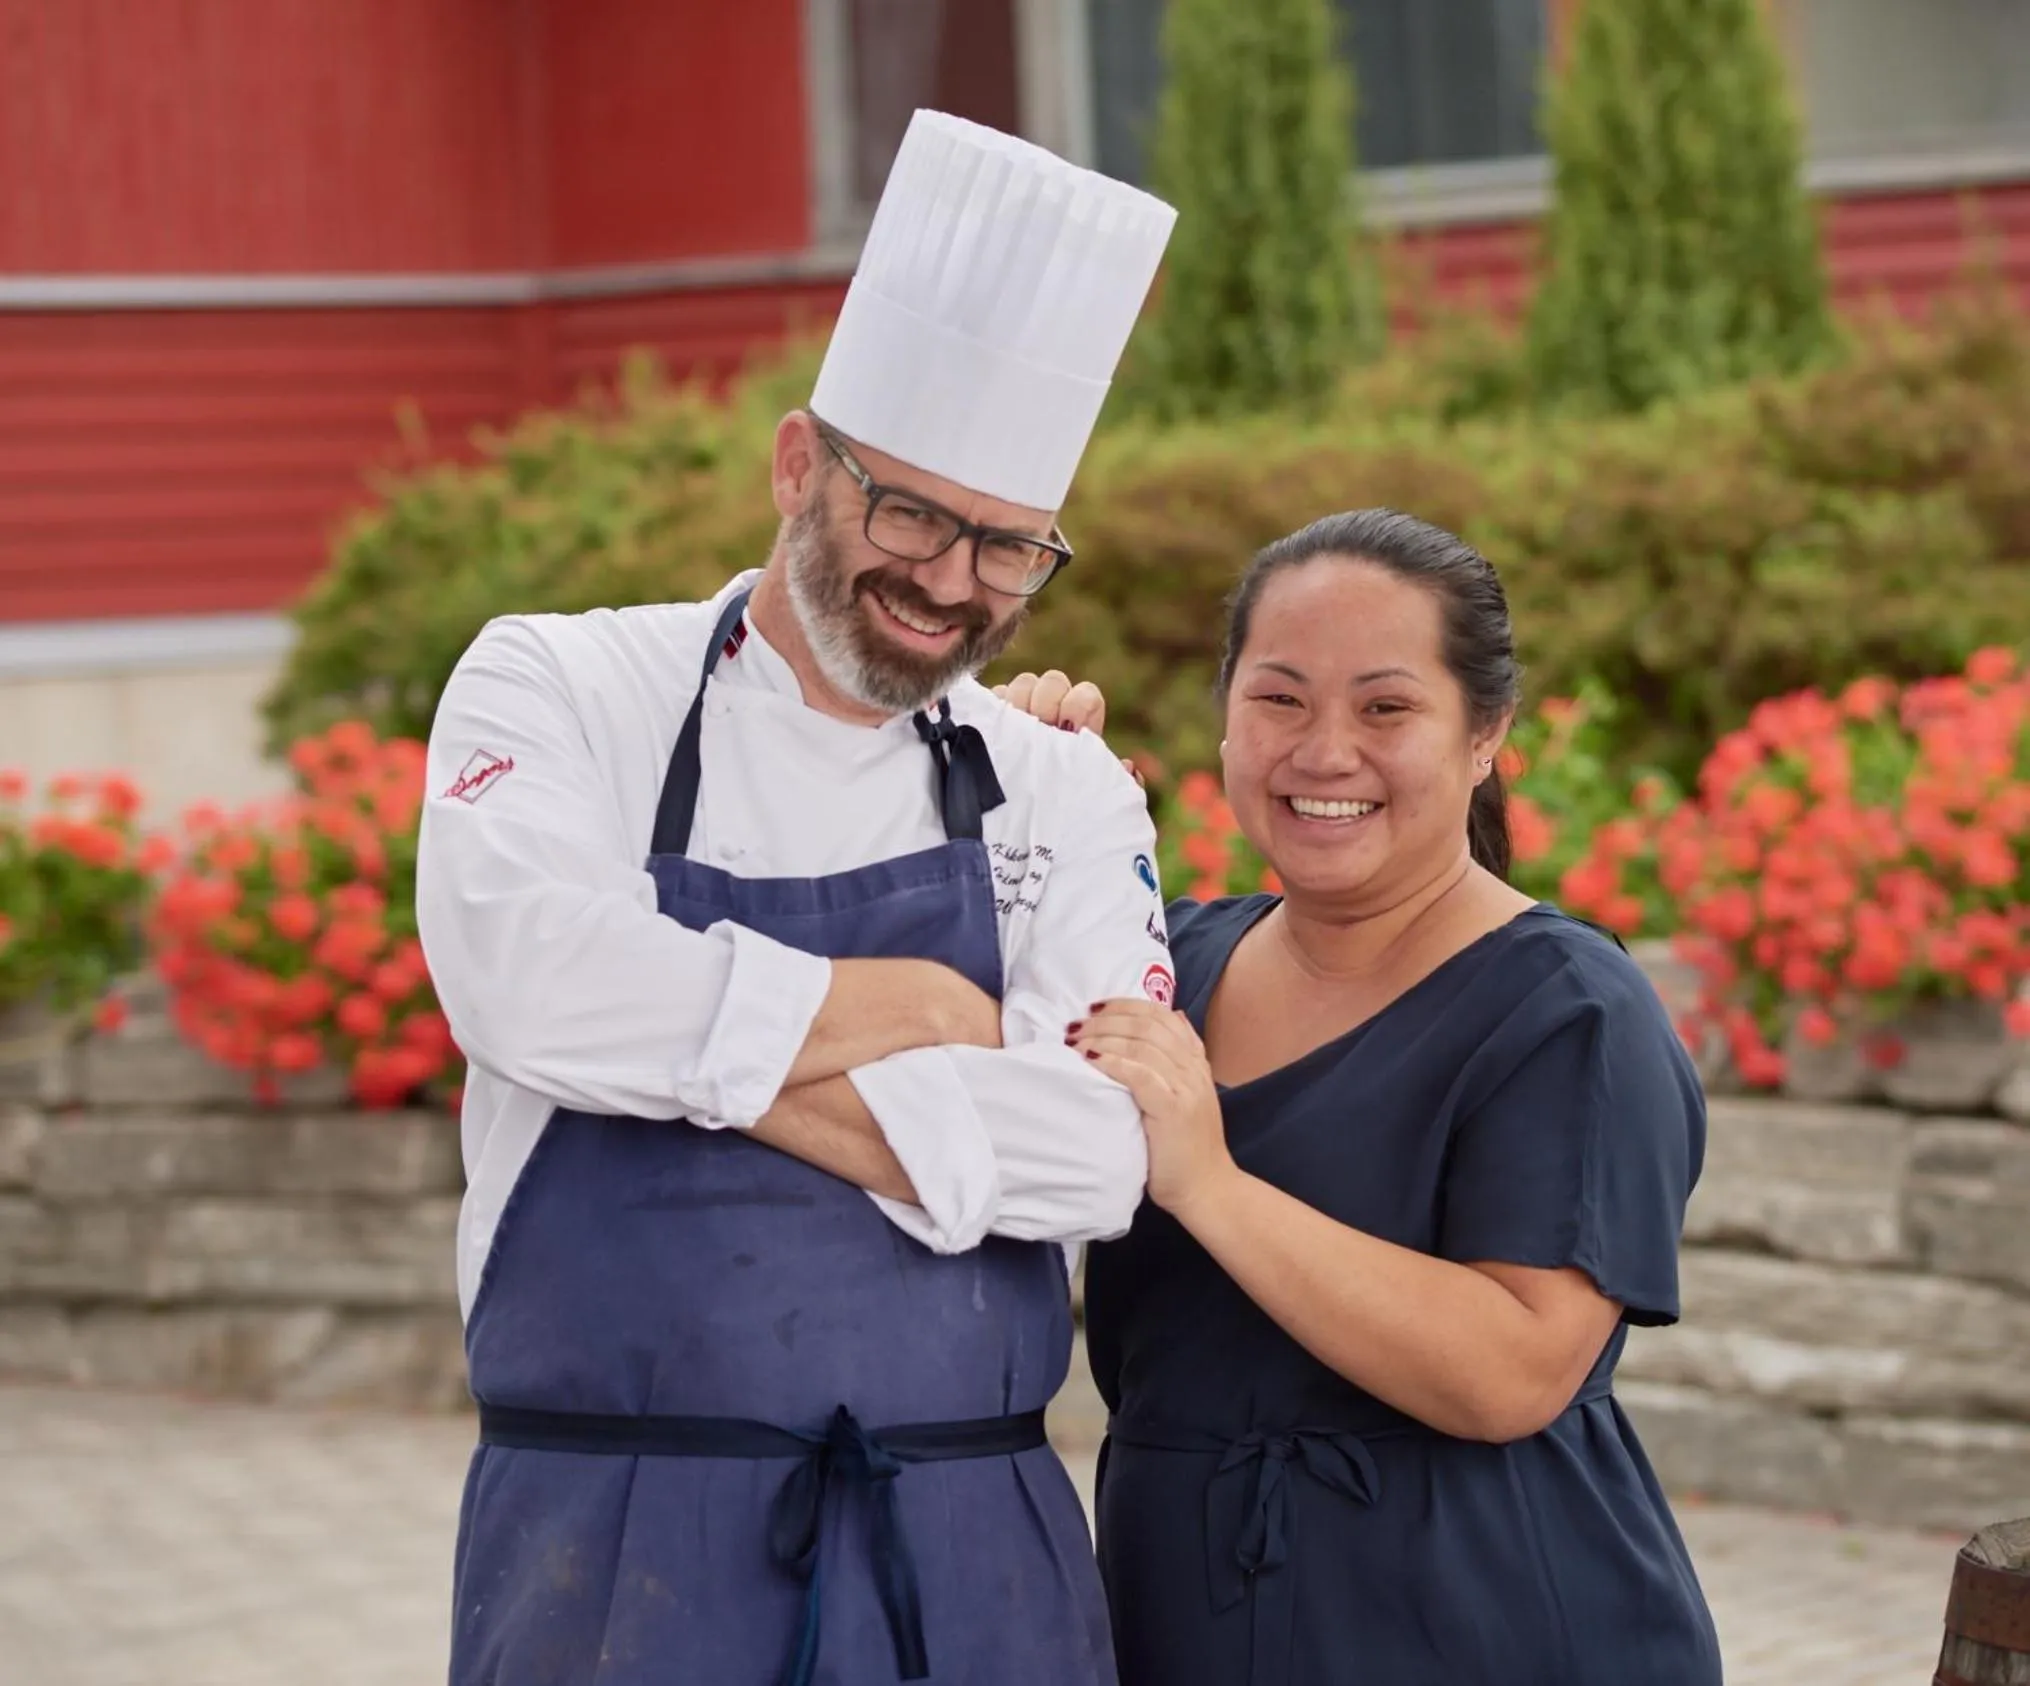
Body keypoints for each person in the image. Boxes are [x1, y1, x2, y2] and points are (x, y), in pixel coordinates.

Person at [416, 110, 1177, 1686]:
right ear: (794, 463)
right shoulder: (559, 684)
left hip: (973, 1561)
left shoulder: (1058, 785)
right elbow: (531, 985)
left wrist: (689, 1061)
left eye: (1011, 549)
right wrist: (911, 1013)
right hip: (609, 1554)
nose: (954, 584)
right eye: (908, 513)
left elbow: (1103, 1145)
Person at [1009, 508, 1722, 1685]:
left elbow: (1511, 1371)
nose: (1322, 751)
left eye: (1384, 708)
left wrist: (1208, 1182)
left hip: (1480, 1628)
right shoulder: (1164, 963)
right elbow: (945, 1024)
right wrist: (1008, 781)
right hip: (1180, 1613)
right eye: (1278, 700)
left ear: (1483, 733)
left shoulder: (1565, 1008)